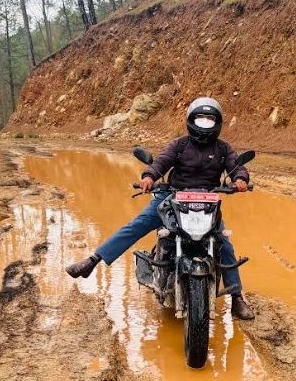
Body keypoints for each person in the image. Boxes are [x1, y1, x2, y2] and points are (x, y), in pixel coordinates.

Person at [65, 97, 255, 320]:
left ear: (218, 123)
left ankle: (237, 298)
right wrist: (149, 177)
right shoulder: (179, 145)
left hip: (206, 202)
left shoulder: (223, 149)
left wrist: (240, 179)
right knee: (138, 225)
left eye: (209, 119)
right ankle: (93, 261)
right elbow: (161, 162)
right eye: (200, 118)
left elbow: (236, 167)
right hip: (171, 196)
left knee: (224, 242)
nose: (204, 123)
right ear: (191, 120)